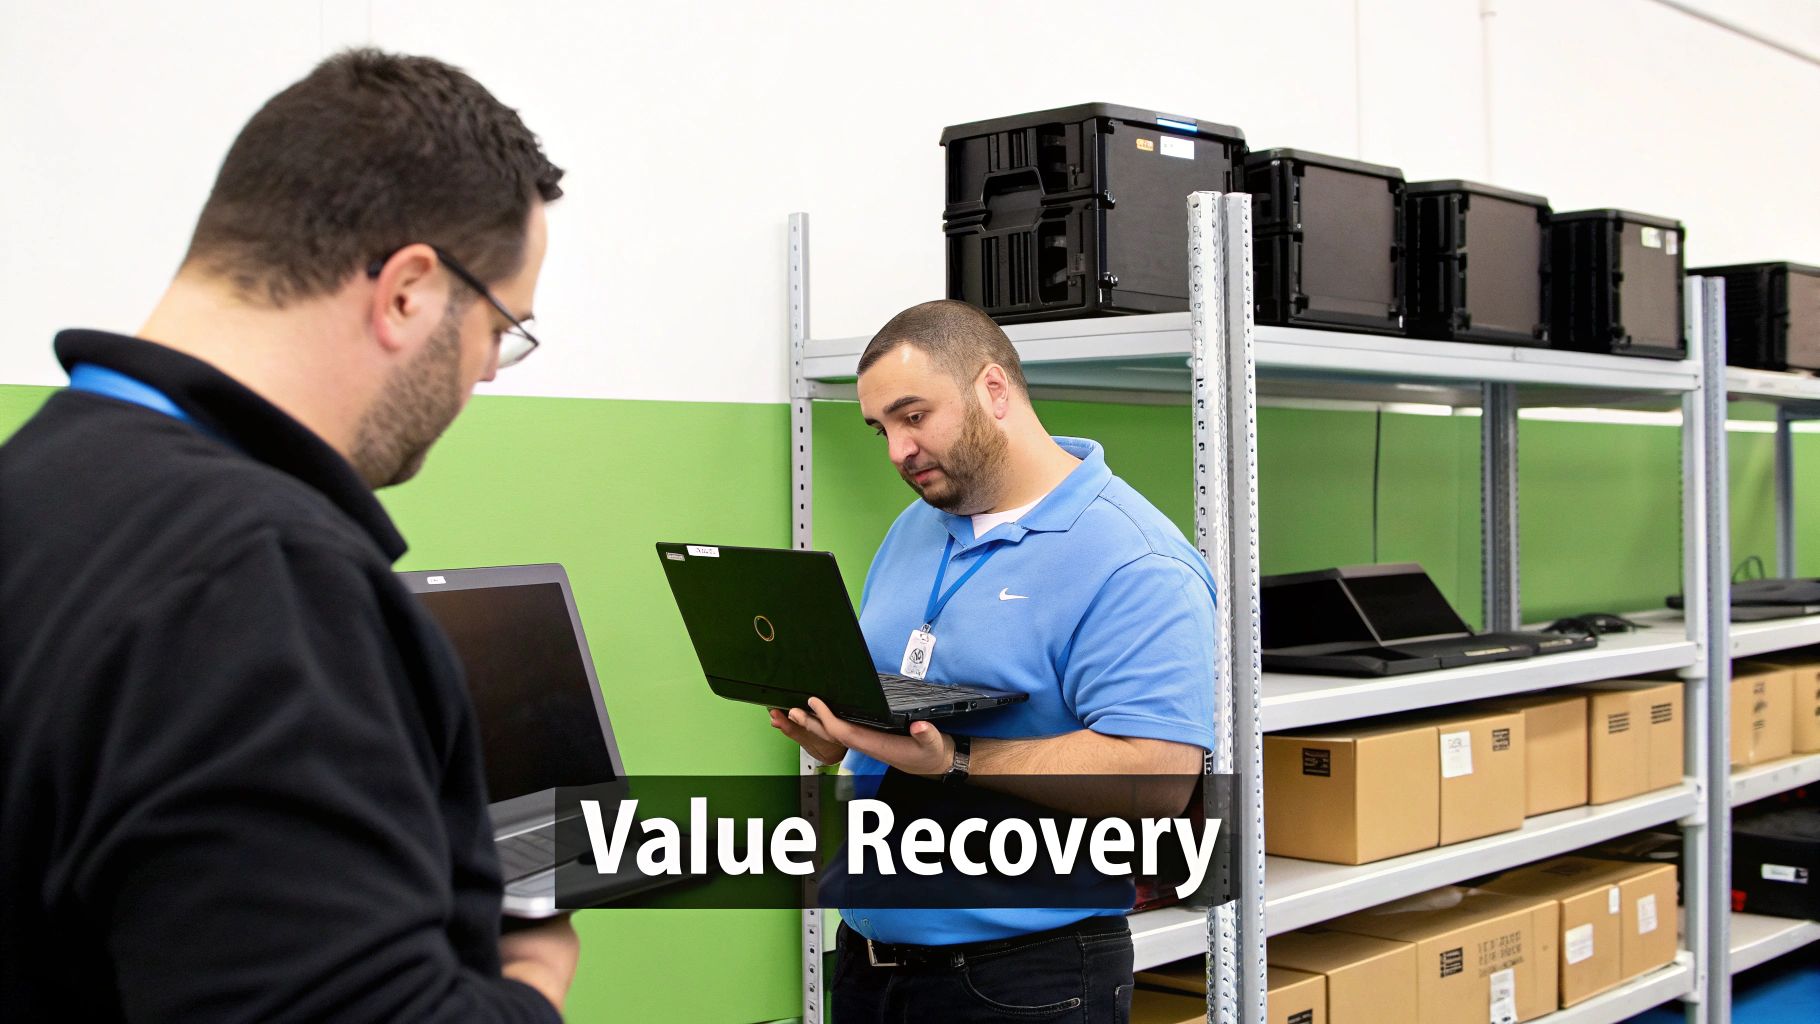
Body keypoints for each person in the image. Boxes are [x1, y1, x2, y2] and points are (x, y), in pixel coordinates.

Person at [0, 50, 576, 1021]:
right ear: (407, 291)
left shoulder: (34, 488)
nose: (484, 373)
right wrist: (532, 976)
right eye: (501, 331)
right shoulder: (261, 578)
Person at [771, 299, 1218, 1022]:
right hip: (867, 962)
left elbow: (1162, 774)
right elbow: (895, 698)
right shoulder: (916, 527)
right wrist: (837, 730)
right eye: (881, 428)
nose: (897, 451)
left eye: (914, 417)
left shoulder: (1135, 559)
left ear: (994, 390)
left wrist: (955, 759)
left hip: (1026, 980)